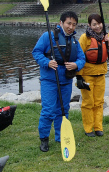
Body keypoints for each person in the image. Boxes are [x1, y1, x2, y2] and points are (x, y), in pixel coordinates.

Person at [32, 11, 86, 152]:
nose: (71, 27)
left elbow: (82, 58)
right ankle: (44, 139)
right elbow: (36, 52)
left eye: (74, 24)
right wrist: (47, 62)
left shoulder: (74, 40)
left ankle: (60, 136)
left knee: (63, 110)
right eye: (68, 23)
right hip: (49, 79)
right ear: (61, 23)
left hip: (66, 80)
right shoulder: (48, 37)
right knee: (48, 110)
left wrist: (76, 65)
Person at [76, 13, 109, 137]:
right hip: (87, 74)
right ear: (89, 25)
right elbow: (78, 56)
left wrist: (108, 43)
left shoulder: (107, 36)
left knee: (99, 102)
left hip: (101, 74)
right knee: (88, 103)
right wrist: (79, 76)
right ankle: (88, 129)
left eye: (99, 23)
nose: (98, 26)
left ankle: (98, 127)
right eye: (94, 24)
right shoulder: (84, 38)